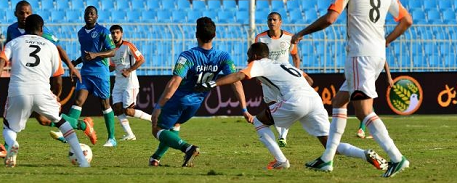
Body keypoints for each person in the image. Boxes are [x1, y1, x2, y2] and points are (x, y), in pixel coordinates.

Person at [291, 0, 413, 177]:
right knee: (339, 101)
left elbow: (330, 18)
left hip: (360, 56)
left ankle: (396, 157)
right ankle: (327, 159)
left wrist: (302, 32)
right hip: (376, 55)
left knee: (363, 111)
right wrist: (385, 41)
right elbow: (407, 20)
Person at [196, 42, 389, 171]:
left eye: (248, 56)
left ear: (254, 55)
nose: (247, 60)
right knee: (331, 145)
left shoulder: (258, 63)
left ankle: (281, 161)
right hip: (314, 100)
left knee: (259, 122)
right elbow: (310, 80)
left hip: (296, 101)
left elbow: (238, 76)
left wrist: (213, 83)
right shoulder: (282, 64)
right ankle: (365, 154)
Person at [0, 14, 89, 168]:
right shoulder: (51, 46)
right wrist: (56, 96)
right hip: (42, 92)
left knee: (9, 127)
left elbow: (1, 61)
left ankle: (13, 144)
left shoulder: (14, 43)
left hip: (18, 91)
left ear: (25, 28)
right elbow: (58, 78)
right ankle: (82, 161)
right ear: (41, 29)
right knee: (61, 122)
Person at [149, 17, 251, 167]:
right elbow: (236, 82)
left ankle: (188, 148)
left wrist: (158, 107)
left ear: (196, 34)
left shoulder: (188, 56)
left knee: (157, 129)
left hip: (179, 99)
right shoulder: (223, 57)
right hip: (196, 103)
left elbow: (174, 82)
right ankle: (156, 158)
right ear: (214, 35)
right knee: (175, 125)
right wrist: (244, 108)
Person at [55, 6, 117, 147]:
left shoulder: (103, 31)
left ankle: (112, 138)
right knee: (78, 101)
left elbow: (112, 51)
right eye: (87, 13)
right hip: (85, 73)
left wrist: (96, 55)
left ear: (96, 16)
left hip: (101, 73)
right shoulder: (81, 33)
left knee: (104, 104)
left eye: (92, 13)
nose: (89, 15)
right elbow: (86, 54)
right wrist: (75, 62)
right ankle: (66, 134)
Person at [255, 11, 313, 147]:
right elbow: (257, 58)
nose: (272, 22)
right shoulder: (260, 38)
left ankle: (282, 136)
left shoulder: (289, 37)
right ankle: (282, 134)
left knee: (284, 104)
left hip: (285, 78)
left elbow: (295, 57)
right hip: (268, 76)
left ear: (280, 22)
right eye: (269, 20)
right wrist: (258, 74)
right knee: (272, 105)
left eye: (275, 20)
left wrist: (297, 73)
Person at [109, 24, 151, 141]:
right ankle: (130, 135)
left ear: (121, 34)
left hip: (129, 83)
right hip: (118, 82)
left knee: (128, 111)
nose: (115, 35)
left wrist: (129, 70)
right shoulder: (111, 49)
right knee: (117, 108)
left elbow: (141, 59)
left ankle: (153, 119)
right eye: (113, 33)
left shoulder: (128, 45)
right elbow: (112, 66)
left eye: (117, 32)